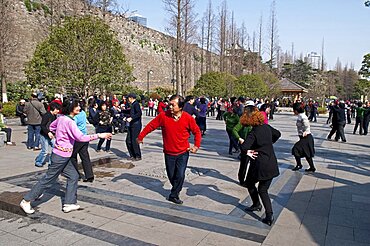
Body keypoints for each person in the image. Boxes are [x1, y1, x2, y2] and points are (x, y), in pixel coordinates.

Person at [20, 100, 112, 214]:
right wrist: (99, 135)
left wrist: (56, 133)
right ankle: (26, 200)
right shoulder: (69, 121)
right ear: (70, 108)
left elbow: (52, 126)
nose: (79, 107)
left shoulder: (61, 119)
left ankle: (69, 203)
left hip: (64, 154)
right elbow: (81, 137)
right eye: (76, 106)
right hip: (60, 156)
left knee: (73, 176)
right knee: (48, 180)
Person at [137, 95, 201, 204]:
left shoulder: (188, 118)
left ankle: (174, 194)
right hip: (169, 152)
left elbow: (197, 132)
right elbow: (151, 126)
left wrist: (196, 146)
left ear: (180, 107)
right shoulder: (163, 116)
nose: (170, 107)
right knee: (172, 176)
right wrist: (141, 136)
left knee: (180, 175)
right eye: (169, 104)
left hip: (183, 152)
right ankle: (175, 189)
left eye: (173, 105)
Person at [239, 107, 281, 226]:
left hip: (259, 165)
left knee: (253, 185)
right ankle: (261, 208)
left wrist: (248, 152)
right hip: (271, 163)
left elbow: (243, 147)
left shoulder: (254, 132)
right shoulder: (267, 127)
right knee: (261, 188)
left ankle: (267, 213)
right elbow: (278, 134)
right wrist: (269, 143)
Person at [70, 102, 95, 182]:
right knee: (85, 156)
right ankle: (90, 175)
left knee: (72, 156)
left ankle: (76, 174)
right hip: (85, 136)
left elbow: (73, 126)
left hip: (77, 138)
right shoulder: (83, 113)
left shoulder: (75, 116)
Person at [291, 102, 316, 172]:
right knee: (306, 153)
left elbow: (307, 125)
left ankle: (299, 164)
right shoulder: (300, 116)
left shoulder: (303, 117)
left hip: (306, 137)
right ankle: (312, 167)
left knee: (295, 149)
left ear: (296, 110)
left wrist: (306, 131)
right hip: (304, 137)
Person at [34, 102, 61, 167]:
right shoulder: (47, 115)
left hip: (52, 135)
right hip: (44, 135)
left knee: (55, 148)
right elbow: (42, 125)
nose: (58, 111)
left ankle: (51, 162)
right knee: (45, 151)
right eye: (57, 109)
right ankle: (38, 161)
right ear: (53, 109)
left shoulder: (54, 116)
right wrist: (48, 132)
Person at [232, 106, 253, 186]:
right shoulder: (243, 121)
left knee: (253, 163)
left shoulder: (256, 121)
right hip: (245, 145)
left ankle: (249, 179)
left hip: (253, 145)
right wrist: (239, 138)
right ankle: (241, 179)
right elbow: (235, 130)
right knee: (244, 163)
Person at [126, 93, 142, 161]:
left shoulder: (136, 104)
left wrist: (131, 118)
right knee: (128, 141)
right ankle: (132, 155)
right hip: (131, 125)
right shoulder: (132, 105)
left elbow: (139, 113)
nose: (127, 100)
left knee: (134, 141)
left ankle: (137, 155)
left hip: (136, 125)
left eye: (128, 98)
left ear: (131, 98)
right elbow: (130, 112)